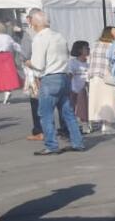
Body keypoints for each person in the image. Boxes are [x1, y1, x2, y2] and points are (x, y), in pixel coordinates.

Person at [26, 9, 84, 156]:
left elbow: (38, 64)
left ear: (34, 22)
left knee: (45, 114)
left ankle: (51, 145)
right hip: (64, 76)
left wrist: (28, 63)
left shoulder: (39, 38)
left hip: (50, 78)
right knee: (68, 113)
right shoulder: (59, 36)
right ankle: (77, 142)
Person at [87, 25, 115, 134]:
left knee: (98, 101)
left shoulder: (95, 45)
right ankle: (107, 126)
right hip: (107, 76)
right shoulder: (112, 45)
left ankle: (101, 124)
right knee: (109, 100)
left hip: (94, 76)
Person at [0, 20, 22, 104]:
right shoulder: (7, 37)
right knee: (8, 74)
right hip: (6, 56)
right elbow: (15, 46)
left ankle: (5, 91)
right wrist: (24, 51)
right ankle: (7, 90)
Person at [68, 40, 90, 133]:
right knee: (71, 106)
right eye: (86, 48)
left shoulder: (90, 62)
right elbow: (70, 74)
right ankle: (72, 125)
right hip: (74, 89)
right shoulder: (72, 62)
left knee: (83, 97)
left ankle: (85, 123)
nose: (89, 49)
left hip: (86, 89)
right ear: (80, 50)